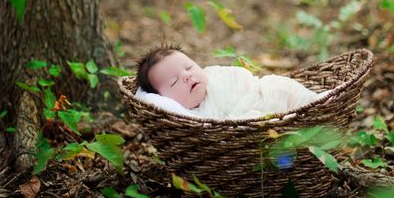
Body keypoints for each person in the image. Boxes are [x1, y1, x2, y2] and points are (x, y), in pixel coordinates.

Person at [135, 44, 331, 120]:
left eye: (188, 68)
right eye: (174, 82)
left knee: (279, 86)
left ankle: (317, 102)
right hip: (249, 122)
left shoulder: (214, 76)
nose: (186, 76)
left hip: (262, 94)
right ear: (162, 98)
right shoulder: (190, 118)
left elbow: (243, 79)